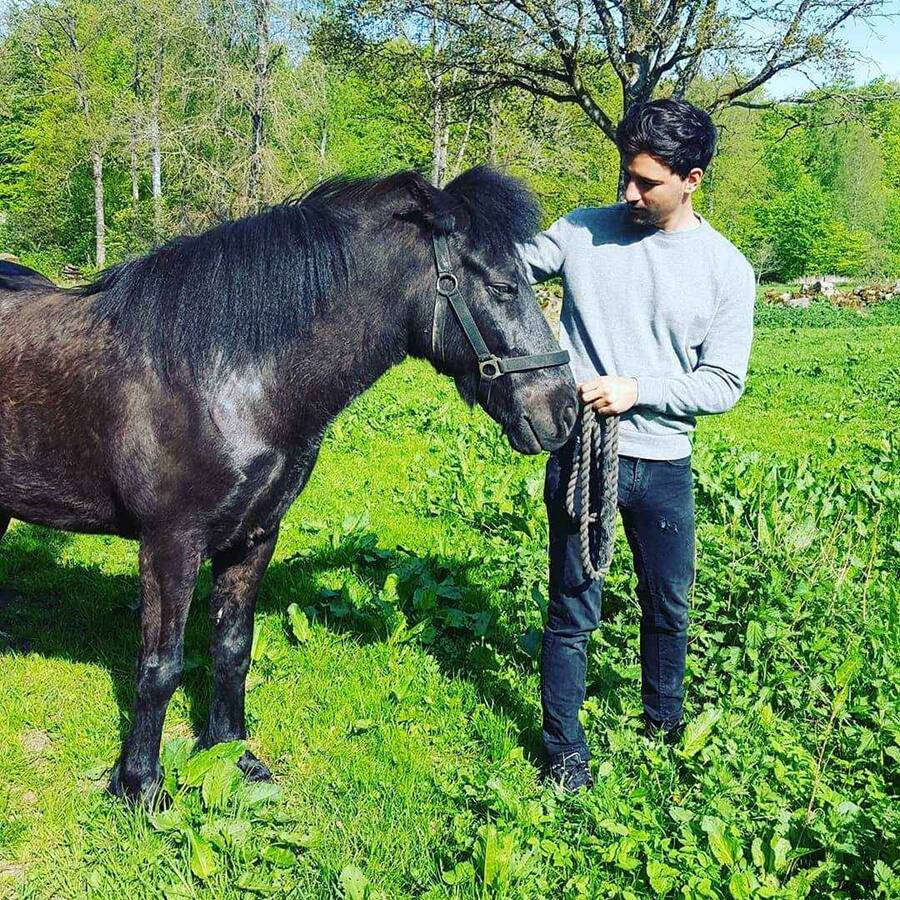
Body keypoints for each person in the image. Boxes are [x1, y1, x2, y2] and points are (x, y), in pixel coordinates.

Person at [517, 98, 756, 791]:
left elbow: (723, 383)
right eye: (627, 175)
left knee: (668, 605)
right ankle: (564, 752)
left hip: (663, 466)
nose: (629, 193)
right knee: (572, 606)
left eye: (647, 182)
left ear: (693, 179)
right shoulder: (580, 232)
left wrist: (637, 387)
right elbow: (501, 272)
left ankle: (663, 727)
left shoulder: (725, 269)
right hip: (585, 455)